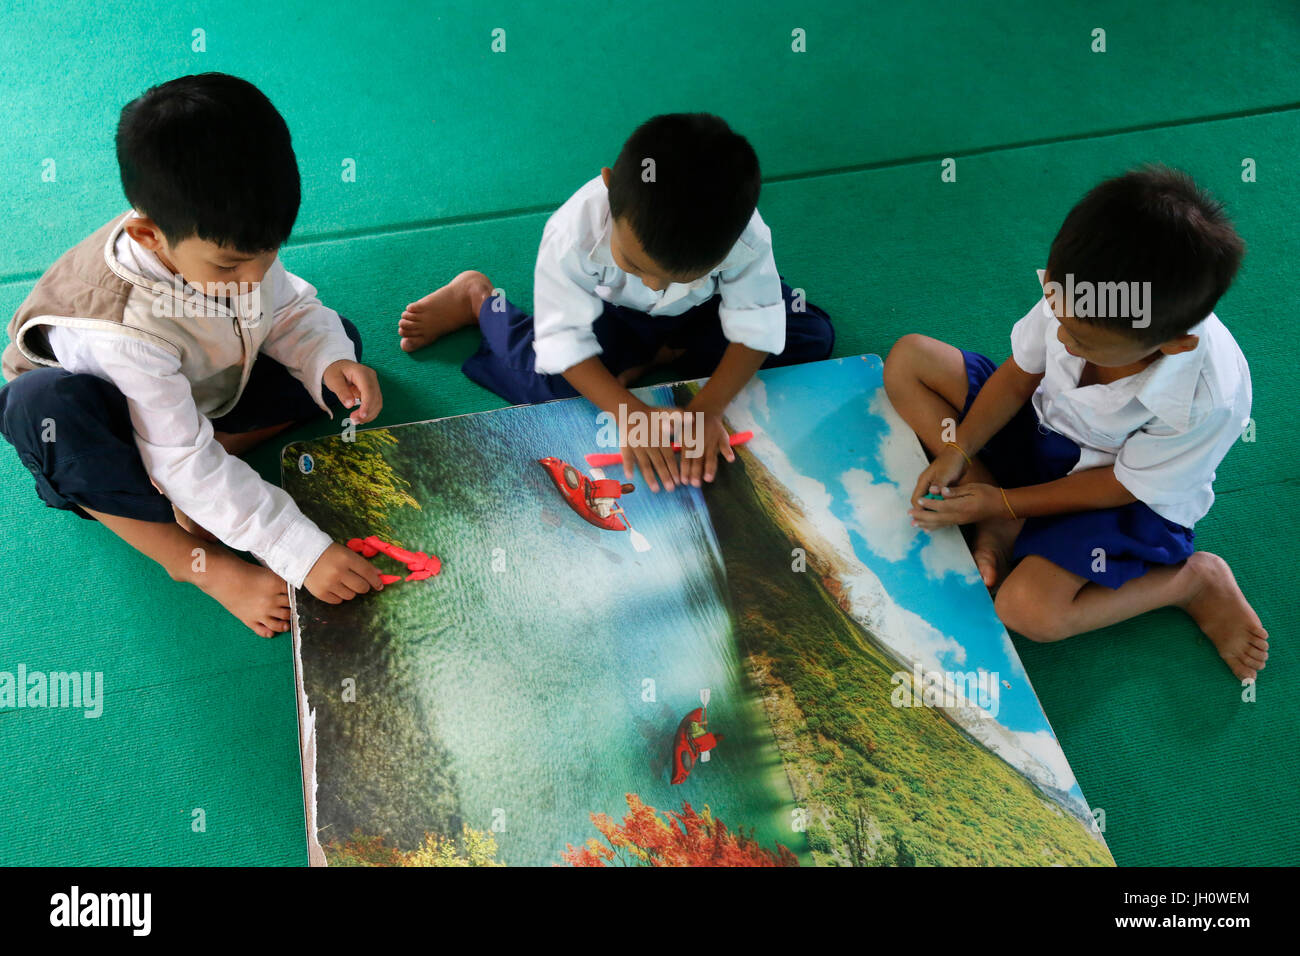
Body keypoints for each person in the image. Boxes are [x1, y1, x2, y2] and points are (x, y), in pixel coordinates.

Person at [0, 73, 385, 638]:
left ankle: (199, 471)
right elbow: (179, 457)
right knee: (42, 408)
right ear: (149, 236)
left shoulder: (221, 233)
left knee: (338, 349)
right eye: (231, 268)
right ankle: (195, 563)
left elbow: (286, 309)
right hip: (97, 431)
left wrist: (326, 357)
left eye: (270, 253)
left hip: (191, 391)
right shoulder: (124, 328)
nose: (254, 278)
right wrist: (300, 550)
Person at [883, 166, 1268, 681]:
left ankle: (1189, 583)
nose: (1062, 338)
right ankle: (996, 515)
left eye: (1081, 339)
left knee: (1028, 611)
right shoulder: (1083, 295)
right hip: (1044, 431)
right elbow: (1020, 375)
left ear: (1173, 343)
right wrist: (961, 449)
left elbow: (1120, 486)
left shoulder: (1211, 398)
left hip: (1118, 494)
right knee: (910, 359)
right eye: (1056, 313)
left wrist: (1007, 500)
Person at [397, 112, 834, 491]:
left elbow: (758, 325)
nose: (654, 285)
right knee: (552, 387)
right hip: (615, 315)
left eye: (676, 277)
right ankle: (479, 300)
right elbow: (564, 342)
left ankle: (661, 352)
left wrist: (707, 409)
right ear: (610, 187)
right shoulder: (572, 233)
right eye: (633, 263)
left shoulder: (747, 238)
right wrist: (629, 414)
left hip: (707, 310)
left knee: (812, 336)